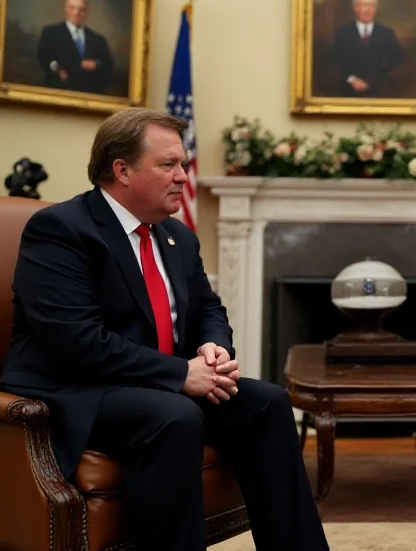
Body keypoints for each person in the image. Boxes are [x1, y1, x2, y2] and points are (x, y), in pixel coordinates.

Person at [0, 108, 328, 551]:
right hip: (76, 388)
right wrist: (180, 375)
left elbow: (208, 307)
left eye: (183, 164)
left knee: (267, 402)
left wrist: (213, 347)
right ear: (122, 170)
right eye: (168, 165)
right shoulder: (61, 229)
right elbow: (76, 341)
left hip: (153, 383)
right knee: (174, 416)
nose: (182, 177)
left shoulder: (178, 236)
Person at [36, 0, 114, 95]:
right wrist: (57, 70)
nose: (77, 13)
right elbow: (43, 56)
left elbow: (109, 63)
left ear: (86, 13)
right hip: (57, 90)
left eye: (81, 10)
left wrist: (96, 64)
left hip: (89, 94)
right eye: (72, 8)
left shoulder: (97, 39)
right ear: (66, 9)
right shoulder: (51, 32)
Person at [332, 0, 404, 97]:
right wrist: (351, 79)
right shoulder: (343, 33)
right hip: (348, 95)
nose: (368, 10)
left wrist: (373, 83)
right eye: (364, 5)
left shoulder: (387, 33)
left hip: (380, 94)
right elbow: (334, 63)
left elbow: (398, 64)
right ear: (355, 7)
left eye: (372, 5)